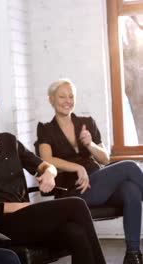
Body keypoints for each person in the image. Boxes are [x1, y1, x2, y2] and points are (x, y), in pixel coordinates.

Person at [0, 86, 106, 264]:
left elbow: (46, 166)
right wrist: (12, 207)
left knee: (76, 233)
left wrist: (49, 174)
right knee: (77, 205)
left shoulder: (9, 141)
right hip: (2, 224)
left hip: (27, 217)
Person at [36, 78, 143, 264]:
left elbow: (104, 158)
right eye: (62, 96)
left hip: (98, 184)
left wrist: (90, 144)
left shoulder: (86, 122)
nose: (67, 100)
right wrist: (77, 167)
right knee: (130, 167)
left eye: (71, 96)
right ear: (51, 100)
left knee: (130, 189)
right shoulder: (45, 129)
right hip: (74, 192)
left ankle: (133, 255)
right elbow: (47, 159)